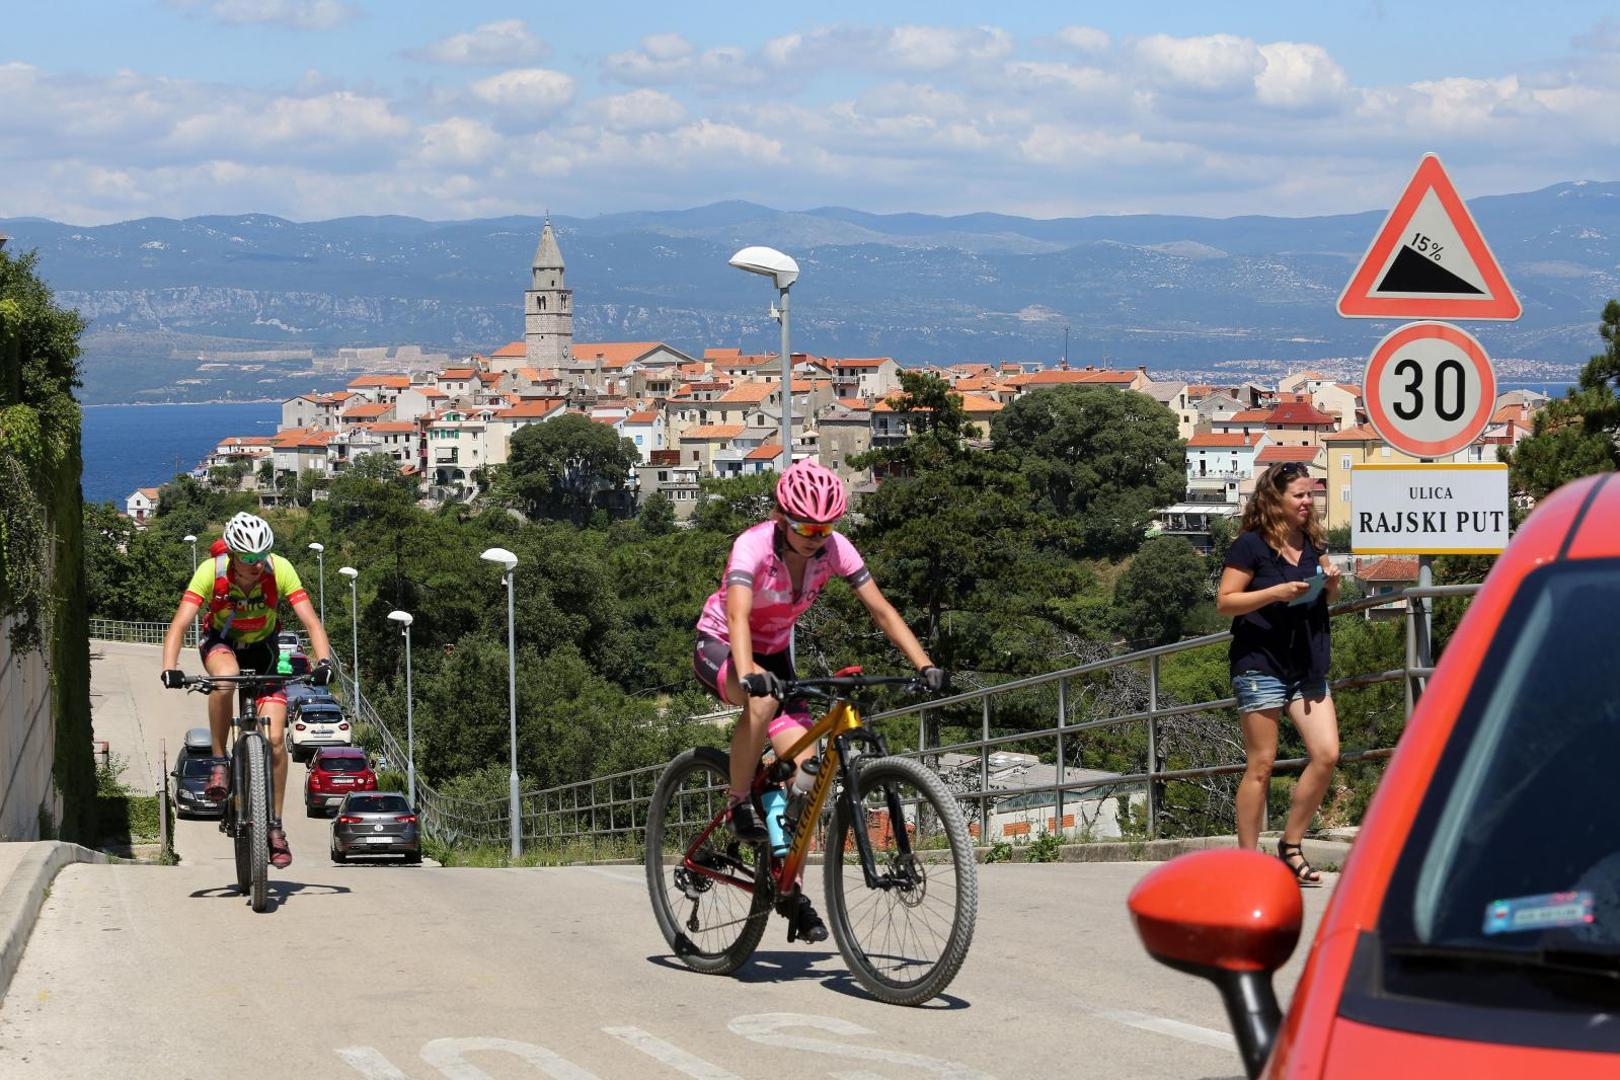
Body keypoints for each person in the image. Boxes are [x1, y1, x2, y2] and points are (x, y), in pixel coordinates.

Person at [693, 460, 946, 941]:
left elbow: (880, 609)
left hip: (775, 656)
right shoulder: (752, 546)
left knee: (807, 774)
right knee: (762, 705)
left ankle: (787, 885)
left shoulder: (834, 549)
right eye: (807, 526)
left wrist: (923, 664)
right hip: (723, 644)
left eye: (826, 527)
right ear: (781, 517)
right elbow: (740, 615)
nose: (816, 536)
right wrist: (747, 674)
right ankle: (738, 799)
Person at [159, 512, 335, 868]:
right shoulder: (211, 571)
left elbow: (311, 622)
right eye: (249, 558)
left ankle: (275, 826)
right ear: (234, 555)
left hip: (264, 648)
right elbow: (180, 623)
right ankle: (220, 761)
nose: (257, 566)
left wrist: (323, 663)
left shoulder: (280, 569)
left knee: (274, 741)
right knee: (225, 679)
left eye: (262, 557)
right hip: (221, 644)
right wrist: (169, 668)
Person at [1216, 461, 1342, 885]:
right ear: (1276, 499)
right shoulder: (1250, 546)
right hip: (1259, 663)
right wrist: (1273, 592)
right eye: (1300, 495)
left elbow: (1326, 593)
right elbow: (1226, 601)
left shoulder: (1311, 541)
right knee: (1262, 765)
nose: (1308, 502)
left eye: (1311, 494)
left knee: (1326, 755)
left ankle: (1291, 845)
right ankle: (1247, 861)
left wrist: (1331, 582)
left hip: (1306, 662)